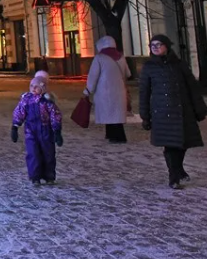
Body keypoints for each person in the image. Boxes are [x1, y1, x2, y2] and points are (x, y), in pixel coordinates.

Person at [139, 34, 207, 189]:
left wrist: (200, 109)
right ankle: (173, 177)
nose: (155, 47)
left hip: (183, 111)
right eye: (152, 45)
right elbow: (144, 93)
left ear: (167, 46)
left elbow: (192, 87)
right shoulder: (149, 67)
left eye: (159, 44)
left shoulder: (179, 64)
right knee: (170, 145)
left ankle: (178, 168)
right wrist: (145, 116)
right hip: (162, 113)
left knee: (183, 143)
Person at [11, 74, 63, 186]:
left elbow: (55, 115)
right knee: (33, 154)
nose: (33, 88)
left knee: (48, 154)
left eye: (37, 86)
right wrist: (15, 126)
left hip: (46, 131)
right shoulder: (26, 100)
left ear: (43, 88)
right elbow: (19, 112)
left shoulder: (47, 102)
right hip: (31, 132)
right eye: (31, 86)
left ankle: (49, 176)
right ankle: (35, 177)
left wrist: (57, 131)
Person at [84, 35, 131, 143]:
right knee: (116, 114)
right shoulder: (121, 57)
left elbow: (93, 76)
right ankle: (114, 134)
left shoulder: (99, 58)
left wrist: (88, 90)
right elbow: (128, 73)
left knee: (108, 112)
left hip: (104, 91)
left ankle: (114, 135)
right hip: (120, 91)